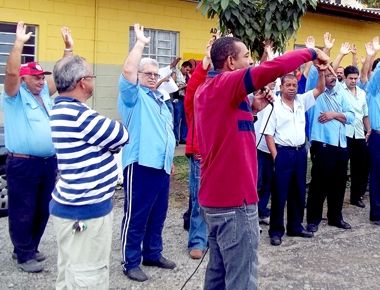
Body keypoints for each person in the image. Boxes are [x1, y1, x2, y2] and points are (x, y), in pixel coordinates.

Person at [195, 36, 330, 290]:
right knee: (242, 279)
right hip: (234, 203)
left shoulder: (210, 89)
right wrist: (312, 52)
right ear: (231, 62)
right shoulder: (225, 83)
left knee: (218, 272)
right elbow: (271, 68)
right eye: (246, 56)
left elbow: (229, 127)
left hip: (216, 200)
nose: (251, 61)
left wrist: (254, 108)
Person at [49, 55, 129, 290]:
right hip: (85, 213)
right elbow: (121, 135)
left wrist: (105, 143)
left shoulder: (60, 109)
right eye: (92, 76)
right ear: (82, 82)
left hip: (70, 207)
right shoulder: (81, 116)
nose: (94, 80)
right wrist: (107, 143)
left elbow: (111, 140)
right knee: (88, 276)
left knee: (69, 270)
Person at [1, 22, 73, 273]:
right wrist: (19, 43)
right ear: (24, 78)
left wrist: (68, 49)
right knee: (23, 209)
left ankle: (29, 246)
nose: (41, 81)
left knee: (43, 208)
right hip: (23, 162)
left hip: (47, 162)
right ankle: (23, 254)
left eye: (43, 77)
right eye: (36, 77)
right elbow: (10, 75)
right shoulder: (14, 95)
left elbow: (62, 74)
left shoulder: (43, 94)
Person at [119, 24, 176, 282]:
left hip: (161, 166)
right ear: (139, 76)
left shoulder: (161, 99)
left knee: (158, 213)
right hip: (140, 165)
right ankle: (130, 261)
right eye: (148, 74)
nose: (153, 77)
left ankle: (152, 252)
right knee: (136, 215)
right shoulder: (133, 96)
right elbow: (129, 70)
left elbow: (167, 134)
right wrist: (140, 43)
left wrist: (170, 160)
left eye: (155, 74)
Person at [263, 70, 325, 246]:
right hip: (283, 152)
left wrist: (321, 72)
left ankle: (295, 227)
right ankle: (276, 231)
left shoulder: (301, 101)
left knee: (298, 192)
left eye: (294, 85)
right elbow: (268, 135)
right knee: (280, 194)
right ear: (281, 87)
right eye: (288, 85)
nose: (292, 88)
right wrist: (276, 157)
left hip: (300, 153)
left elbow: (320, 89)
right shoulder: (274, 105)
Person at [306, 69, 355, 233]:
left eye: (333, 75)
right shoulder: (316, 94)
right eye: (327, 75)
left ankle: (335, 217)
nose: (332, 78)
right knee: (319, 184)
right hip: (323, 144)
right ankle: (313, 219)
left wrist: (334, 114)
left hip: (341, 145)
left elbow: (351, 117)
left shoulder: (341, 93)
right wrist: (321, 61)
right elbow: (313, 74)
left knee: (339, 184)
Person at [184, 39, 214, 260]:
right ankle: (197, 240)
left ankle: (214, 238)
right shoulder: (194, 102)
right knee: (199, 199)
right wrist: (206, 61)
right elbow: (193, 87)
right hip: (200, 156)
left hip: (220, 156)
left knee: (220, 198)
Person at [342, 65, 370, 208]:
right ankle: (338, 197)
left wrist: (368, 130)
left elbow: (365, 114)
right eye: (350, 78)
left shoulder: (362, 93)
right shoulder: (340, 91)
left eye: (355, 78)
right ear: (345, 78)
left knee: (359, 168)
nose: (353, 81)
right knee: (341, 168)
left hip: (359, 134)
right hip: (344, 134)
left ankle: (356, 196)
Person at [361, 37, 380, 225]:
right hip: (377, 137)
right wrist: (373, 55)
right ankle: (376, 213)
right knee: (377, 174)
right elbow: (372, 78)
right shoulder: (373, 92)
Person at [173, 61, 192, 144]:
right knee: (176, 119)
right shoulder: (176, 75)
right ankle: (175, 139)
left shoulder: (189, 76)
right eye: (186, 69)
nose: (187, 71)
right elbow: (173, 87)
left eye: (189, 70)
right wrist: (184, 86)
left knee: (185, 120)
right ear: (183, 67)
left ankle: (183, 138)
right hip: (178, 99)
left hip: (186, 99)